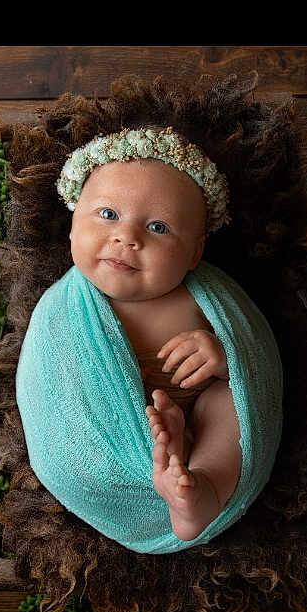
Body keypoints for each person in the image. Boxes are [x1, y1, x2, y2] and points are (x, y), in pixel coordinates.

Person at [65, 141, 241, 541]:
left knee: (229, 402)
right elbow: (50, 385)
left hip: (201, 416)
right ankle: (170, 452)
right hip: (119, 440)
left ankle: (203, 490)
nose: (126, 237)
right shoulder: (62, 312)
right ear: (73, 223)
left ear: (194, 253)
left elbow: (258, 365)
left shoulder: (202, 300)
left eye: (158, 227)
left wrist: (225, 358)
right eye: (108, 214)